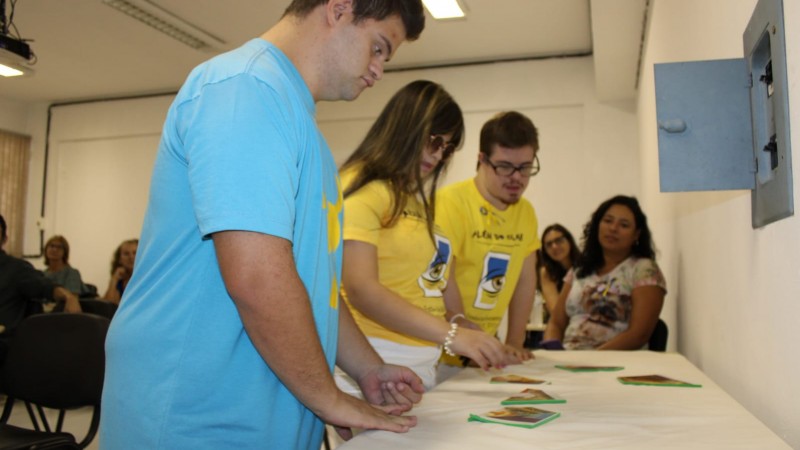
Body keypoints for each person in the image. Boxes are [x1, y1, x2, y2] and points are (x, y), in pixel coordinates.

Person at [100, 1, 426, 449]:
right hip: (195, 414)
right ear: (340, 9)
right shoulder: (244, 89)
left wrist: (367, 368)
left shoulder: (302, 127)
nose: (378, 70)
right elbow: (256, 277)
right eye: (378, 48)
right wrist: (329, 398)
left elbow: (315, 285)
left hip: (263, 410)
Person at [336, 80, 508, 392]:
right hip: (371, 358)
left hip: (420, 360)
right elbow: (361, 289)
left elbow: (438, 274)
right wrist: (451, 335)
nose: (439, 155)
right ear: (406, 126)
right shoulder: (362, 189)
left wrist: (456, 319)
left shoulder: (412, 199)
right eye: (434, 141)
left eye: (447, 148)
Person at [436, 111, 542, 373]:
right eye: (505, 167)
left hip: (483, 351)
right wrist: (466, 341)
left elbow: (525, 280)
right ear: (482, 159)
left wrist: (514, 342)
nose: (517, 177)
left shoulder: (525, 212)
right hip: (440, 352)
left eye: (526, 167)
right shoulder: (450, 203)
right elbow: (443, 277)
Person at [541, 195, 666, 350]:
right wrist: (554, 351)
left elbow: (638, 334)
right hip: (569, 360)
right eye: (608, 221)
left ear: (636, 235)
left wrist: (592, 359)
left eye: (624, 225)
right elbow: (556, 322)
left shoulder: (644, 270)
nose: (613, 228)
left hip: (615, 364)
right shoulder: (579, 269)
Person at [0, 214, 81, 366]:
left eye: (58, 247)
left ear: (4, 239)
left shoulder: (16, 269)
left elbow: (46, 287)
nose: (54, 250)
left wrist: (69, 296)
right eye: (51, 246)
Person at [537, 224, 579, 320]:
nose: (554, 247)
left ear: (569, 241)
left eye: (559, 241)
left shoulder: (586, 265)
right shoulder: (546, 273)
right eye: (549, 244)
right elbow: (555, 311)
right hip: (562, 325)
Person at [102, 238, 137, 304]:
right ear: (119, 259)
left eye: (135, 253)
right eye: (126, 254)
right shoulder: (120, 281)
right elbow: (108, 305)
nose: (131, 257)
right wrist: (114, 280)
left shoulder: (148, 277)